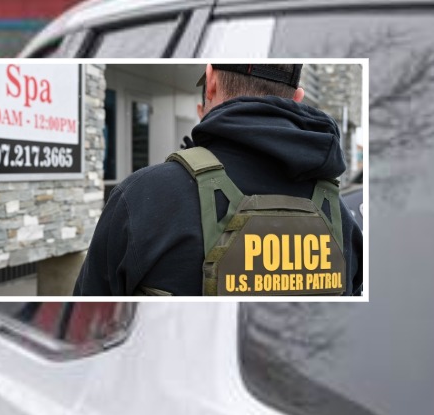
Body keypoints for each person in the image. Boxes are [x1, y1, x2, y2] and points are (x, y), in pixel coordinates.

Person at [75, 63, 363, 296]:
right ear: (296, 98)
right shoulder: (339, 217)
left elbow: (86, 325)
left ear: (210, 82)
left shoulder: (141, 198)